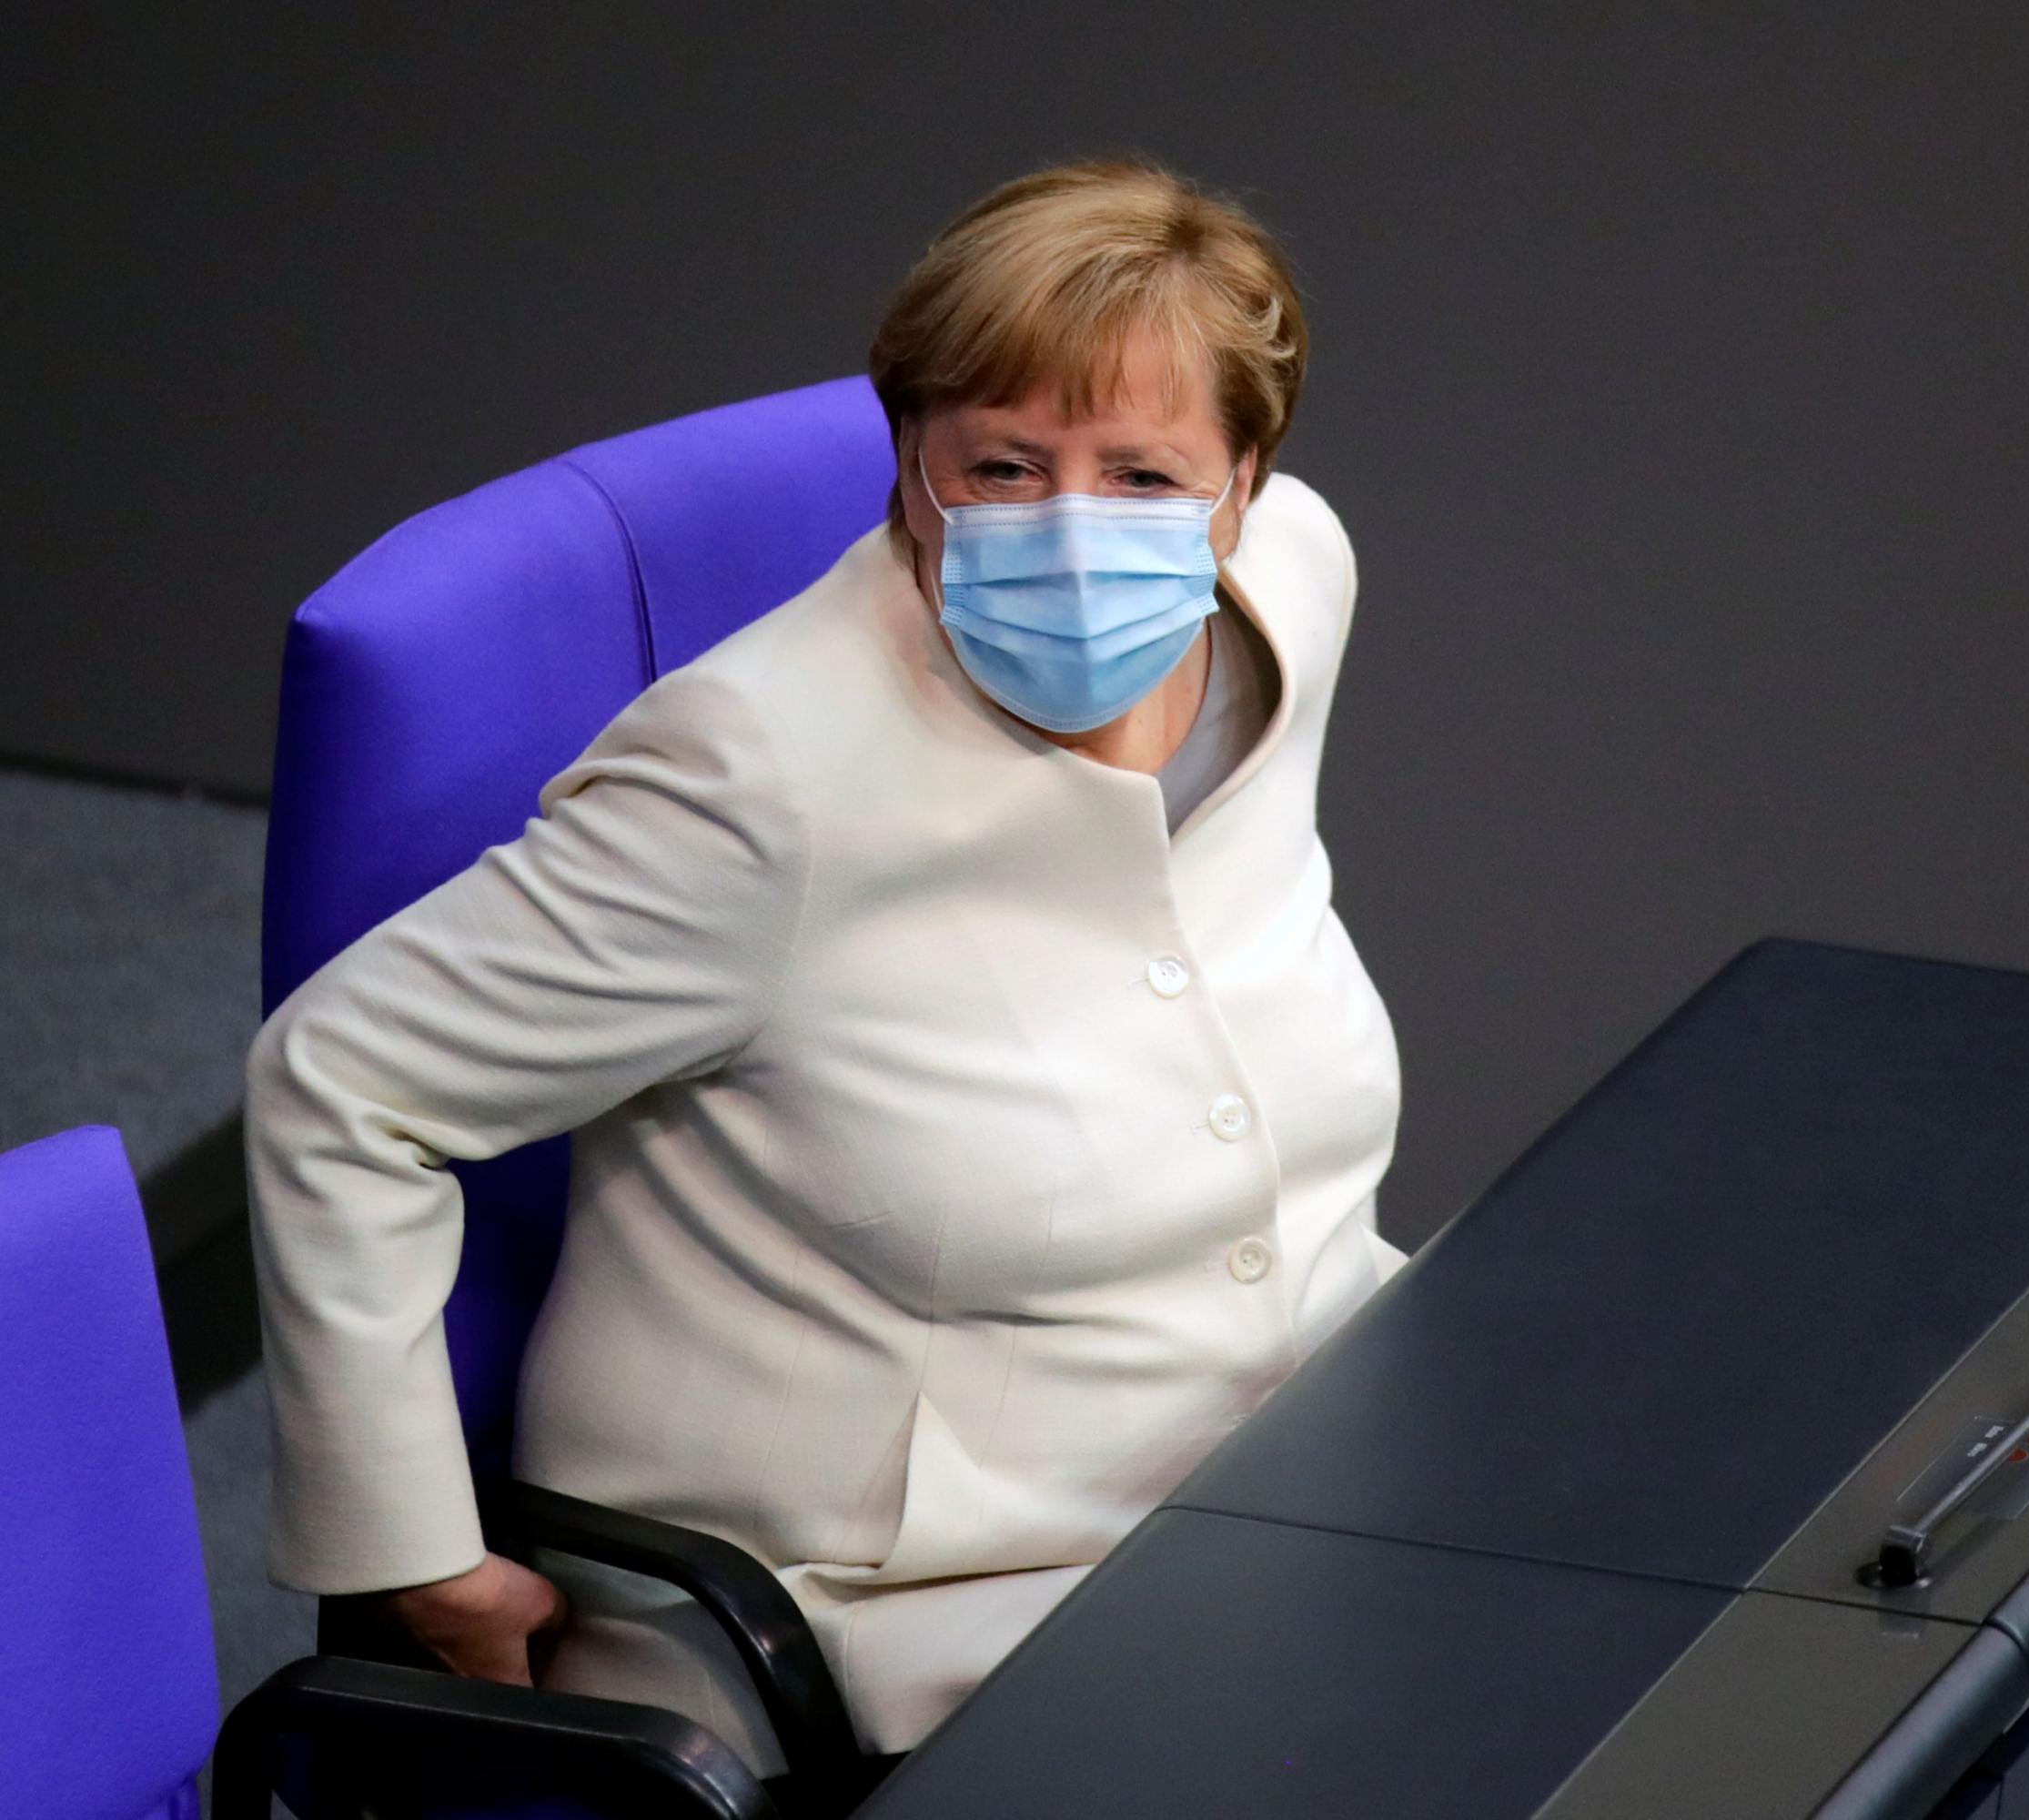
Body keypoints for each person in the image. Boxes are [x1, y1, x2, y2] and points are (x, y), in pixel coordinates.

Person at [244, 157, 1404, 1770]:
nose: (1077, 533)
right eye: (1003, 466)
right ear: (911, 465)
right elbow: (340, 1082)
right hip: (915, 1593)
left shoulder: (1298, 585)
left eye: (1145, 476)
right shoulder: (759, 784)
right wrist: (412, 1563)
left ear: (1248, 483)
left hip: (1304, 1454)